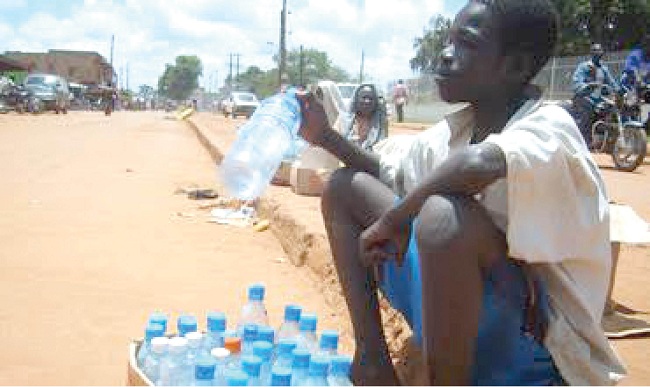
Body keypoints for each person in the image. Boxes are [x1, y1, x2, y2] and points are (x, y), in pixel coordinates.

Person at [296, 0, 626, 385]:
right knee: (343, 188)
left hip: (538, 346)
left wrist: (395, 218)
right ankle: (372, 363)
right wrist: (324, 136)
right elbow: (387, 171)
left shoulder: (550, 129)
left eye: (466, 44)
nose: (446, 54)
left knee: (441, 217)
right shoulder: (456, 131)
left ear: (515, 67)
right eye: (449, 40)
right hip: (476, 318)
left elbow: (476, 167)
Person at [571, 43, 623, 146]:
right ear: (591, 53)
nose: (598, 52)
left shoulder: (604, 69)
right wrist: (587, 86)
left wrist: (619, 91)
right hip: (583, 97)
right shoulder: (584, 66)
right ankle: (584, 143)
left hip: (598, 99)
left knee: (612, 109)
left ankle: (609, 140)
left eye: (600, 50)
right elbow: (576, 82)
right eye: (595, 50)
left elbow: (612, 82)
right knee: (587, 112)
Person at [343, 84, 389, 151]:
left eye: (371, 99)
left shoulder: (380, 122)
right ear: (356, 100)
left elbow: (382, 144)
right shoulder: (344, 121)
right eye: (364, 98)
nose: (367, 101)